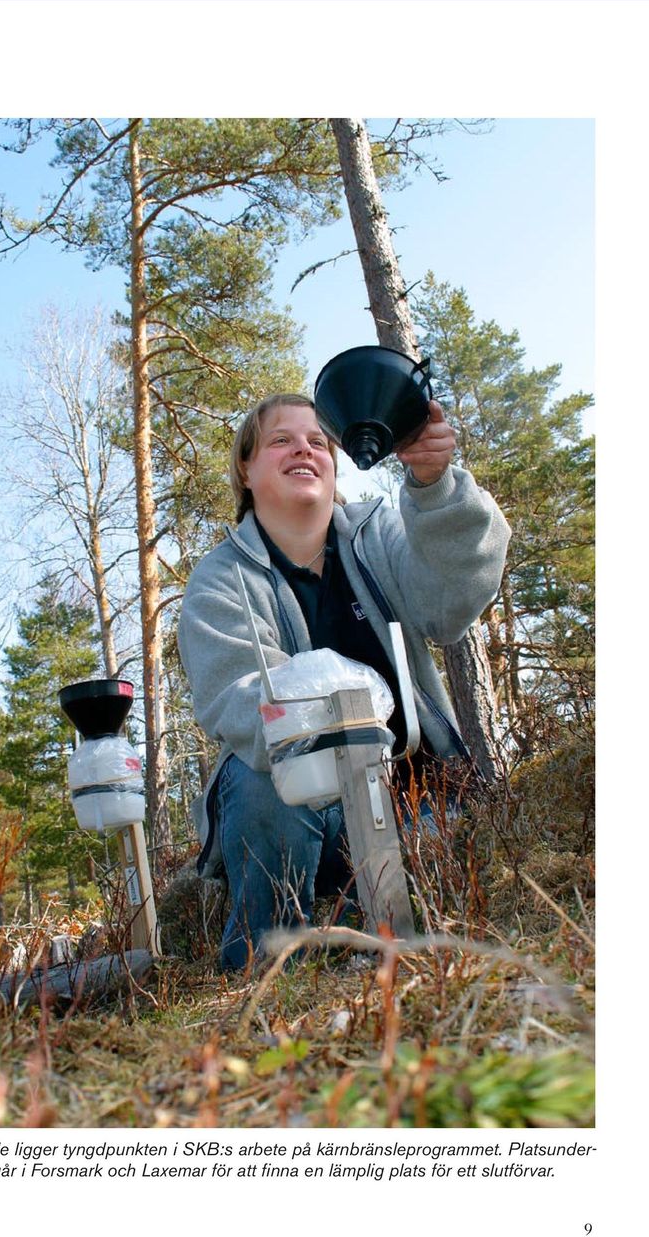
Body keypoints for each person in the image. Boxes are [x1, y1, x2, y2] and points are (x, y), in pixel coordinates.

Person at [177, 392, 510, 971]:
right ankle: (267, 963)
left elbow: (450, 602)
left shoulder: (378, 531)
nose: (304, 448)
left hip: (416, 797)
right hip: (302, 808)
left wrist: (434, 486)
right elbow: (234, 702)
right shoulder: (219, 581)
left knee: (430, 902)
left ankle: (368, 936)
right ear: (246, 470)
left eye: (318, 440)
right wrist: (339, 695)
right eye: (281, 439)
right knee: (256, 786)